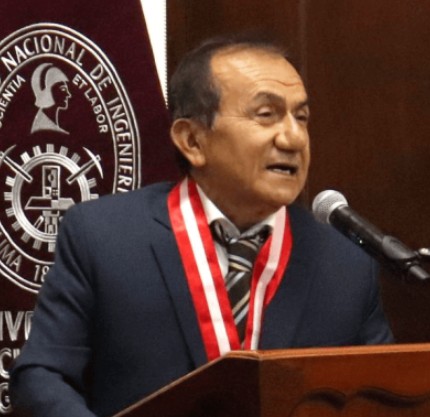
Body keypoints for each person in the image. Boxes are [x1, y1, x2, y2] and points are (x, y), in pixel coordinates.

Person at [10, 36, 394, 417]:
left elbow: (384, 397)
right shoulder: (104, 237)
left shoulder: (345, 266)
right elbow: (41, 376)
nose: (293, 138)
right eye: (266, 114)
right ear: (192, 140)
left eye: (302, 117)